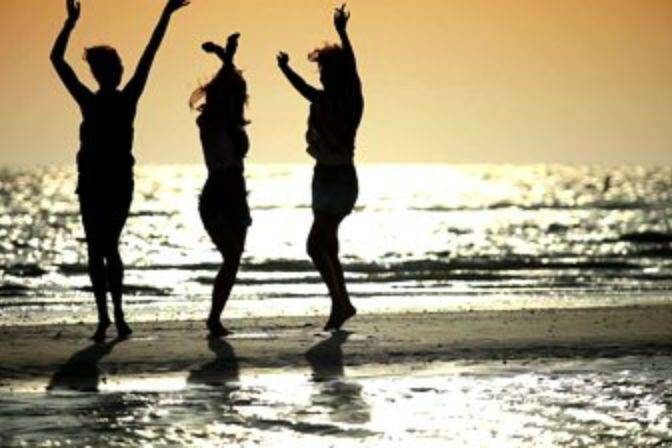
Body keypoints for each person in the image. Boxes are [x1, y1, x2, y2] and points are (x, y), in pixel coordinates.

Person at [50, 0, 189, 342]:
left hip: (110, 184)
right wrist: (69, 24)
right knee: (101, 249)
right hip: (98, 184)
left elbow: (149, 54)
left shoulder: (114, 100)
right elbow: (58, 61)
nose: (123, 69)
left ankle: (114, 317)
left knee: (104, 247)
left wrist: (165, 16)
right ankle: (107, 318)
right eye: (117, 66)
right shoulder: (102, 100)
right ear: (106, 72)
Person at [277, 4, 364, 331]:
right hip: (322, 177)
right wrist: (285, 70)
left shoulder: (351, 99)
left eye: (327, 72)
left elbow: (353, 70)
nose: (323, 76)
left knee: (315, 245)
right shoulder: (321, 99)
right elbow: (303, 90)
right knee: (328, 244)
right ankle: (342, 303)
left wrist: (343, 33)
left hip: (341, 177)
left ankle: (341, 303)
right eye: (321, 72)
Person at [190, 33, 251, 338]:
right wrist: (225, 56)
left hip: (237, 192)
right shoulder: (210, 121)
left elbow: (232, 86)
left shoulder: (233, 121)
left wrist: (226, 56)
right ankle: (213, 319)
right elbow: (227, 86)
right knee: (231, 257)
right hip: (217, 193)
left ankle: (215, 319)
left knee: (234, 258)